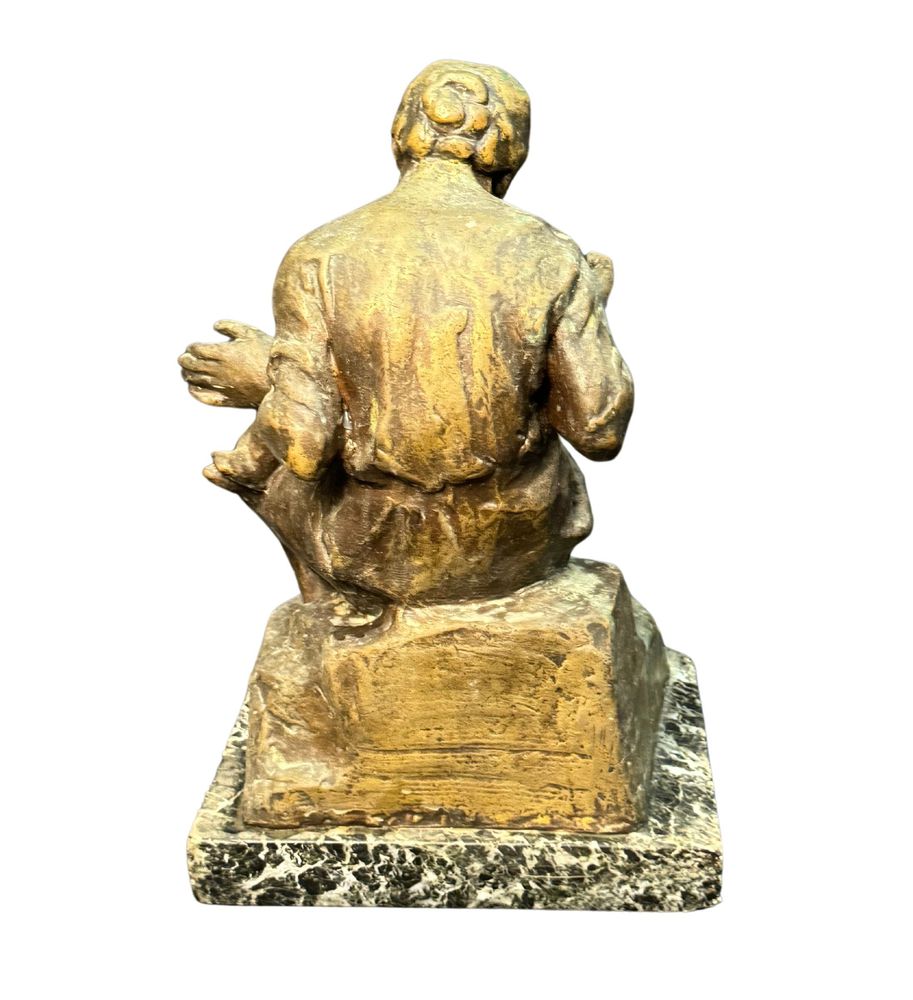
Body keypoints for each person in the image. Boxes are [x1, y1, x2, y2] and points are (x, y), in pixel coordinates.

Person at [179, 60, 633, 605]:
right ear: (510, 152)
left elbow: (305, 446)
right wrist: (588, 306)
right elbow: (599, 428)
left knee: (266, 469)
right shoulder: (551, 253)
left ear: (401, 135)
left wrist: (266, 377)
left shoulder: (318, 255)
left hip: (372, 546)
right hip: (521, 542)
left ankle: (346, 614)